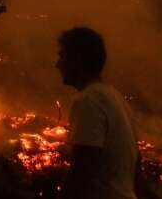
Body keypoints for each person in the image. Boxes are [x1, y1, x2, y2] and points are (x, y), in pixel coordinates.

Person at [56, 27, 139, 199]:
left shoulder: (89, 100)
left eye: (62, 56)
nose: (57, 64)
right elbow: (137, 174)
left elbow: (80, 173)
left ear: (77, 60)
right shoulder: (117, 99)